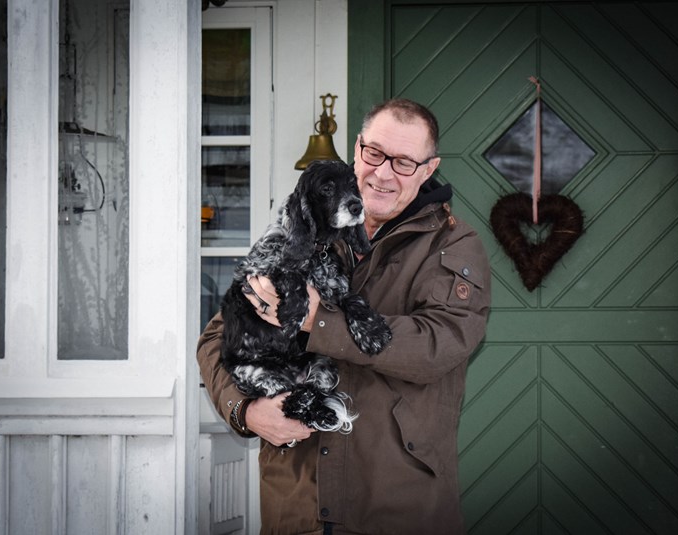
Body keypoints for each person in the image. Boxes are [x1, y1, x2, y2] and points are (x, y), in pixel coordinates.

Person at [197, 98, 491, 534]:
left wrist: (318, 322)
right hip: (295, 504)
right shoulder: (300, 227)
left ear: (429, 169)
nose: (384, 172)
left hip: (398, 507)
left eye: (405, 162)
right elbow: (219, 337)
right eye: (374, 153)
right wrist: (245, 410)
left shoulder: (455, 246)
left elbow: (437, 345)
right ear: (356, 149)